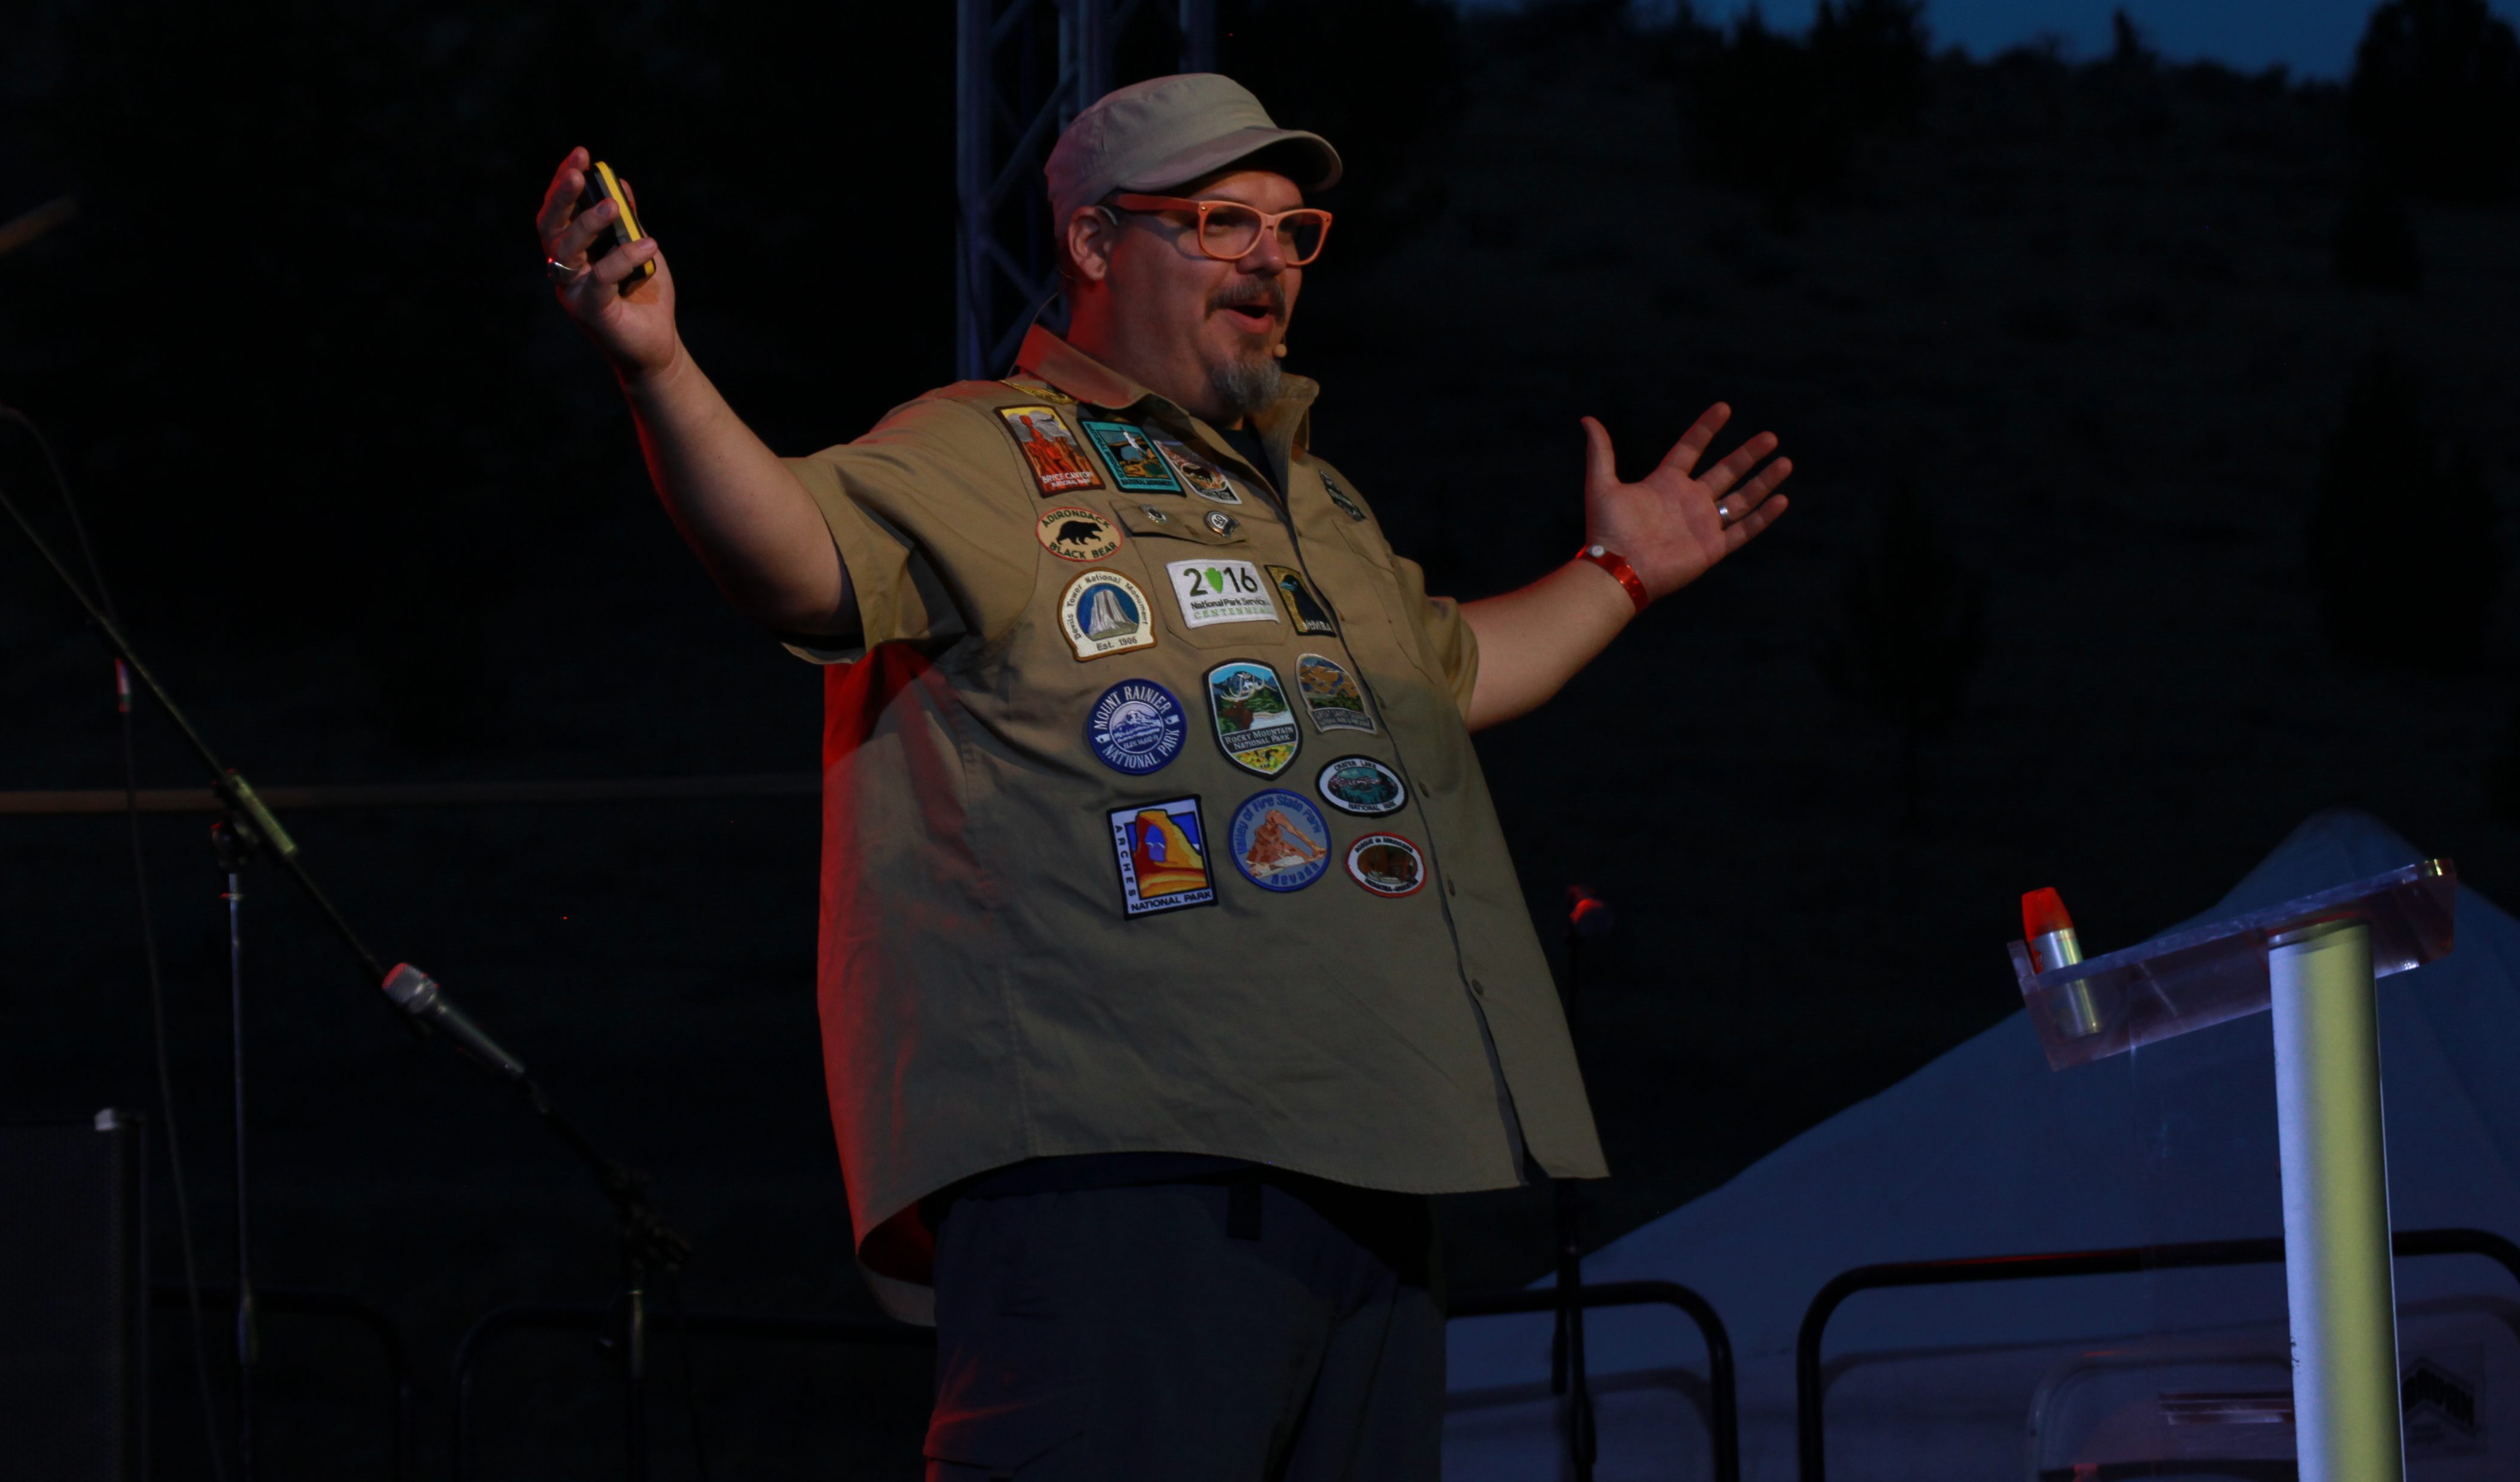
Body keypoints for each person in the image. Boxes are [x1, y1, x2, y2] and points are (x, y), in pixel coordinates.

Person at [535, 73, 1792, 1480]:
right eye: (1221, 222)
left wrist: (1621, 574)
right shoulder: (987, 447)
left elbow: (1455, 677)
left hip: (1378, 1172)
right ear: (1091, 244)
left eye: (1291, 230)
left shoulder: (1309, 500)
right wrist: (658, 368)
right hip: (1125, 1171)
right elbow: (788, 548)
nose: (1270, 258)